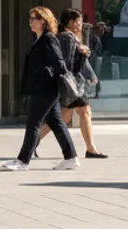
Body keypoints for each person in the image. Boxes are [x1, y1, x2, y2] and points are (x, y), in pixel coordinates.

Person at [2, 7, 80, 171]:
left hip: (46, 88)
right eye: (30, 19)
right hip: (43, 87)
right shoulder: (39, 39)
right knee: (57, 123)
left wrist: (45, 74)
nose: (30, 22)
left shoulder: (48, 39)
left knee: (33, 123)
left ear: (43, 21)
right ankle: (71, 157)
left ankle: (23, 161)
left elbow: (59, 64)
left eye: (33, 19)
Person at [37, 9, 106, 159]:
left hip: (72, 85)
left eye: (80, 21)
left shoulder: (71, 37)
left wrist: (90, 73)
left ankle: (34, 141)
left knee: (64, 117)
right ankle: (91, 149)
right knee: (84, 112)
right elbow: (69, 65)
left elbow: (77, 64)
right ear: (69, 22)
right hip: (72, 86)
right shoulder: (67, 38)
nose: (79, 24)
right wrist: (82, 54)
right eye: (76, 21)